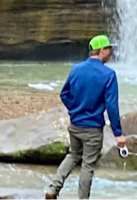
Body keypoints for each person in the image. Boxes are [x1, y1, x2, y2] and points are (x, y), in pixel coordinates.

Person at [45, 36, 125, 200]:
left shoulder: (76, 69)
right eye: (109, 49)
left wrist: (74, 110)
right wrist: (118, 134)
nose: (111, 52)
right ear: (101, 50)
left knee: (73, 155)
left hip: (75, 125)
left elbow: (64, 94)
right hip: (93, 129)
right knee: (88, 165)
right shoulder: (109, 74)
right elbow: (112, 106)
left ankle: (53, 189)